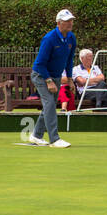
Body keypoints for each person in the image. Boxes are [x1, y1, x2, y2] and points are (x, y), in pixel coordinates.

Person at [28, 10, 77, 148]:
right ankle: (54, 139)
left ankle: (36, 135)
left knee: (49, 107)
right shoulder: (49, 39)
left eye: (71, 20)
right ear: (59, 23)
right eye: (67, 21)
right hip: (41, 75)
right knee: (49, 104)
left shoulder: (71, 38)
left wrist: (69, 79)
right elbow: (39, 64)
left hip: (56, 76)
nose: (70, 23)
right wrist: (48, 81)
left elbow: (69, 60)